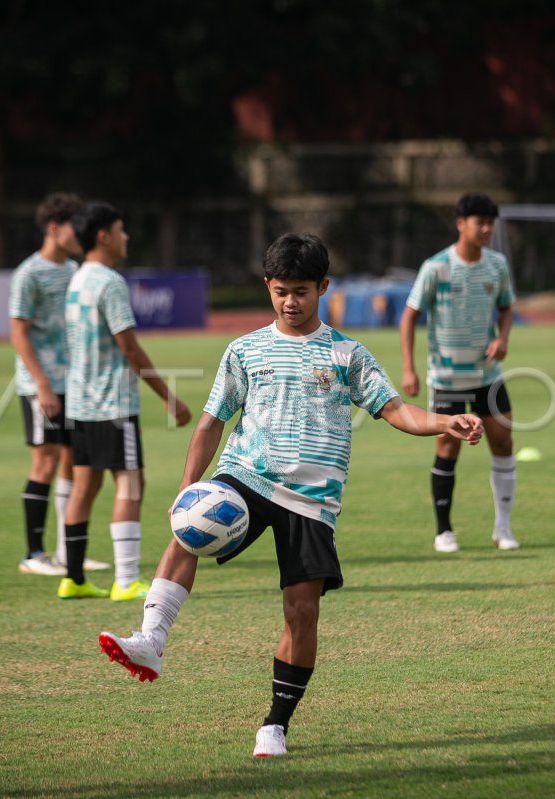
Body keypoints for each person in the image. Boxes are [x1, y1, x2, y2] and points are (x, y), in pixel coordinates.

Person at [98, 233, 484, 757]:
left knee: (301, 612)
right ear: (267, 287)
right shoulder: (245, 350)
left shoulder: (347, 353)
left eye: (301, 291)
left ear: (323, 287)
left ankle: (274, 725)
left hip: (312, 498)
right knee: (188, 529)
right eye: (281, 291)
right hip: (247, 475)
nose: (290, 302)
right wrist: (191, 485)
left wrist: (445, 420)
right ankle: (151, 640)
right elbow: (211, 423)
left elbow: (396, 410)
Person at [58, 201, 192, 601]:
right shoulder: (110, 282)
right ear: (103, 236)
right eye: (120, 229)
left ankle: (73, 577)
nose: (126, 236)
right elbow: (129, 348)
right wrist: (169, 397)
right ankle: (126, 579)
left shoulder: (78, 279)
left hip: (80, 402)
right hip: (112, 403)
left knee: (84, 486)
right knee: (130, 484)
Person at [399, 192, 518, 553]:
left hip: (487, 375)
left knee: (503, 441)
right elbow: (409, 316)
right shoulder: (435, 267)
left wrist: (503, 338)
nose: (485, 229)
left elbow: (507, 308)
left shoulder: (497, 265)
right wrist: (409, 367)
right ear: (460, 223)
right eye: (479, 222)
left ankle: (503, 527)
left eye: (489, 223)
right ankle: (444, 531)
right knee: (448, 446)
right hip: (447, 378)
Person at [9, 191, 109, 576]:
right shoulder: (28, 274)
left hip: (76, 384)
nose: (81, 233)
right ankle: (33, 555)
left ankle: (69, 553)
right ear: (54, 228)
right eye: (74, 226)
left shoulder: (73, 271)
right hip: (42, 385)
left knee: (72, 460)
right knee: (46, 460)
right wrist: (42, 385)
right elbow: (18, 334)